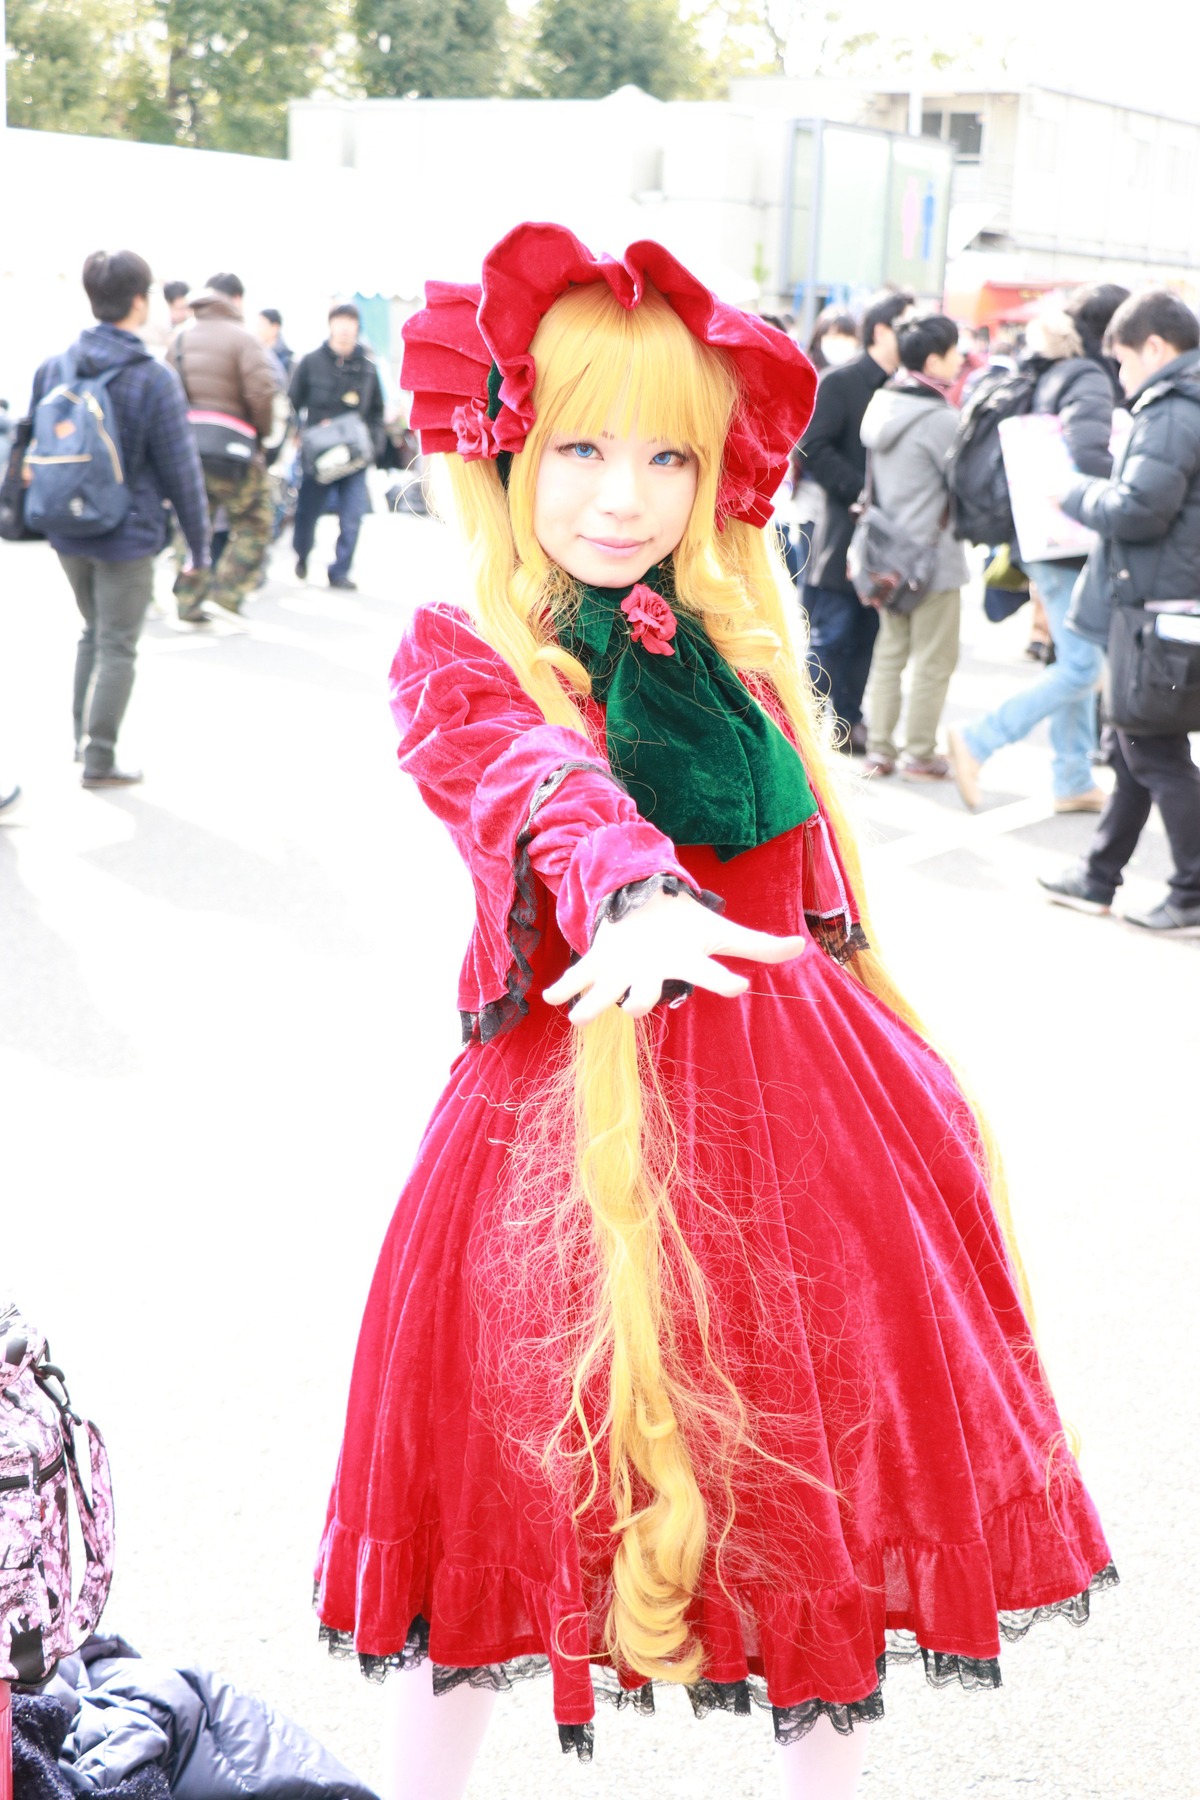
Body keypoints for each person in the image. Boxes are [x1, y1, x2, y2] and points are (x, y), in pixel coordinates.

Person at [314, 224, 1114, 1800]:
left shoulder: (736, 644)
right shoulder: (469, 653)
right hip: (571, 1114)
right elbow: (532, 784)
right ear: (504, 448)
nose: (626, 495)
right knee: (503, 1470)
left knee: (805, 1470)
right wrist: (628, 889)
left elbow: (814, 880)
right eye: (583, 447)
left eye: (669, 457)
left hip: (805, 1108)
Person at [1038, 288, 1200, 935]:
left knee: (1150, 747)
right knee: (1132, 743)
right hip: (1162, 603)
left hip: (1156, 605)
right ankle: (1100, 875)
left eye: (1126, 364)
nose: (1124, 380)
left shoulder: (1172, 408)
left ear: (1155, 348)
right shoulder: (1182, 402)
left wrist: (1070, 490)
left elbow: (1138, 508)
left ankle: (1191, 889)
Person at [28, 249, 209, 788]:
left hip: (64, 525)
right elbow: (181, 472)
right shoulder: (152, 377)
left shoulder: (54, 365)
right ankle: (100, 757)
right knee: (116, 642)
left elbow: (27, 442)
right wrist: (198, 547)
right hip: (126, 532)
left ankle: (80, 741)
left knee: (93, 630)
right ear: (138, 300)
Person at [948, 284, 1129, 813]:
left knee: (1074, 656)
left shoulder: (1050, 367)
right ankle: (979, 739)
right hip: (1070, 538)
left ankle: (1072, 777)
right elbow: (1092, 453)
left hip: (1042, 537)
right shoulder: (1090, 376)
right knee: (1083, 667)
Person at [800, 288, 915, 750]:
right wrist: (861, 491)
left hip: (886, 535)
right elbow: (811, 446)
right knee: (833, 633)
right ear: (883, 331)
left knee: (868, 634)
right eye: (906, 325)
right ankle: (801, 724)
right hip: (842, 528)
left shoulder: (904, 387)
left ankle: (848, 722)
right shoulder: (841, 382)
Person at [859, 314, 967, 779]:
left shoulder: (881, 404)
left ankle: (879, 750)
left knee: (889, 654)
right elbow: (962, 484)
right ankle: (920, 752)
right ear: (933, 359)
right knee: (933, 660)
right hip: (932, 559)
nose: (960, 359)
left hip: (887, 557)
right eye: (954, 351)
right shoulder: (940, 418)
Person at [169, 272, 281, 619]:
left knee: (191, 525)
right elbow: (262, 394)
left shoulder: (180, 338)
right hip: (235, 452)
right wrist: (259, 437)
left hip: (189, 449)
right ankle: (228, 591)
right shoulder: (245, 339)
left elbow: (167, 396)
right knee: (256, 519)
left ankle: (188, 600)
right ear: (236, 300)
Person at [289, 303, 383, 590]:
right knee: (308, 511)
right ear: (330, 325)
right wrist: (298, 433)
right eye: (339, 322)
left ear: (357, 327)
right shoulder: (311, 361)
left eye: (350, 323)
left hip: (354, 454)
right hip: (319, 454)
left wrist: (373, 446)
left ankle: (340, 571)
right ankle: (302, 554)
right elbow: (292, 401)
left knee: (352, 515)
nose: (344, 328)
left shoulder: (367, 368)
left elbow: (377, 411)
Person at [256, 307, 294, 382]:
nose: (258, 329)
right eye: (258, 325)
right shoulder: (256, 355)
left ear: (275, 327)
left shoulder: (288, 360)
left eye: (261, 325)